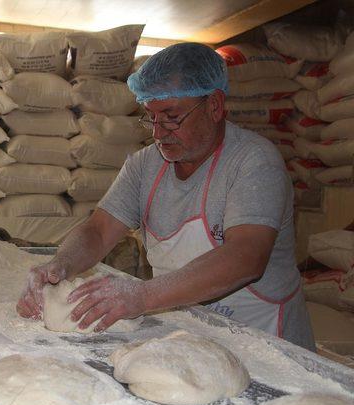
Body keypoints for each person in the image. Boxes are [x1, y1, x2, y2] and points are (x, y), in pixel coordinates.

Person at [17, 42, 315, 351]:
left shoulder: (253, 162)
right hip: (188, 337)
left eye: (171, 117)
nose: (158, 133)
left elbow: (246, 258)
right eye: (151, 118)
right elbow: (99, 230)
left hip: (265, 344)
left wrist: (141, 296)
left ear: (214, 106)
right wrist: (61, 266)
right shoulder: (144, 165)